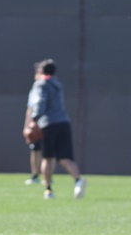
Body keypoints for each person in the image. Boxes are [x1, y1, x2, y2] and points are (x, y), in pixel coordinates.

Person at [25, 59, 87, 200]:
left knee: (47, 158)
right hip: (64, 123)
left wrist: (34, 120)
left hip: (48, 124)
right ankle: (78, 180)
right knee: (65, 158)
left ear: (41, 71)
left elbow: (40, 102)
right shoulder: (57, 84)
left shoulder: (41, 84)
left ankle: (48, 190)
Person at [22, 66, 44, 185]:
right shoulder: (35, 89)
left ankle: (47, 175)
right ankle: (35, 175)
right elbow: (30, 109)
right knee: (35, 150)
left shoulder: (47, 87)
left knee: (48, 152)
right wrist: (27, 126)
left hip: (46, 123)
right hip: (35, 124)